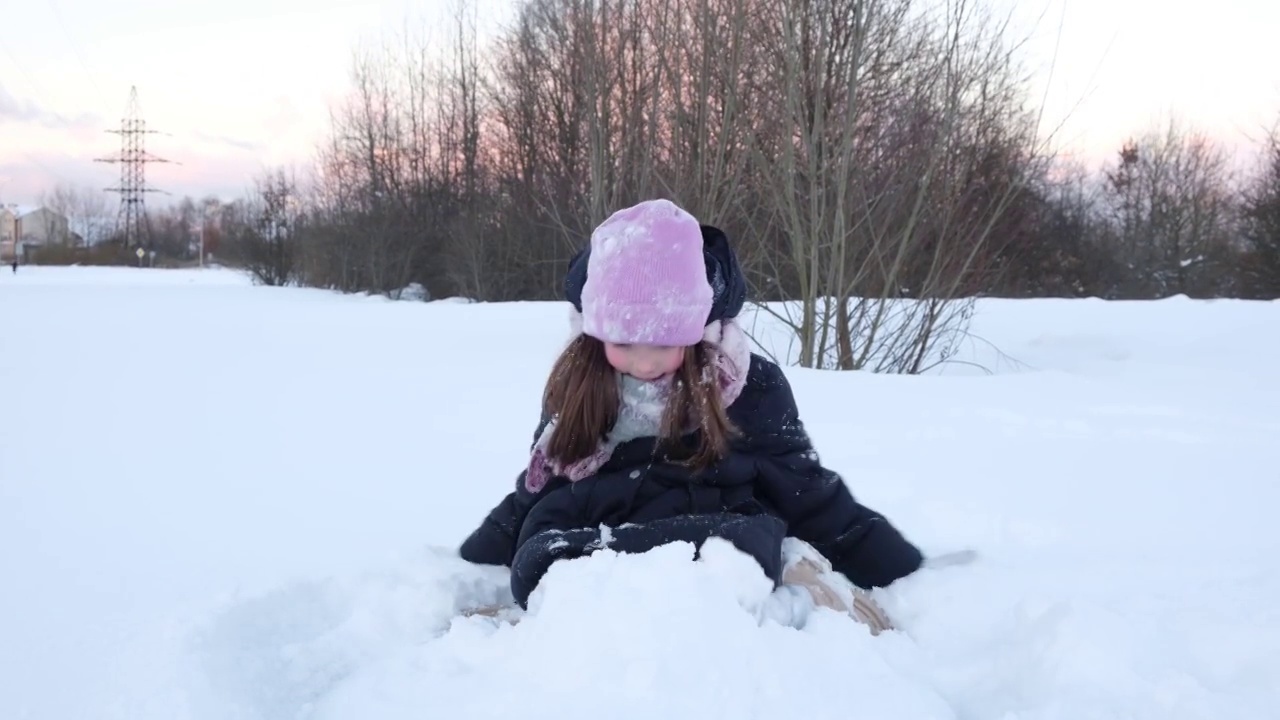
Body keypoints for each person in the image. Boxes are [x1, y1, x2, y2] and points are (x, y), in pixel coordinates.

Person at [458, 199, 924, 633]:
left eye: (663, 343)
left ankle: (797, 588)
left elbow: (802, 484)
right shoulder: (580, 379)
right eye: (622, 344)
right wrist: (482, 551)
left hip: (713, 530)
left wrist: (882, 557)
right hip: (588, 530)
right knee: (536, 558)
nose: (644, 363)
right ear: (593, 332)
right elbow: (544, 480)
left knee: (743, 550)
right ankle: (569, 612)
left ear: (696, 329)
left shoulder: (743, 384)